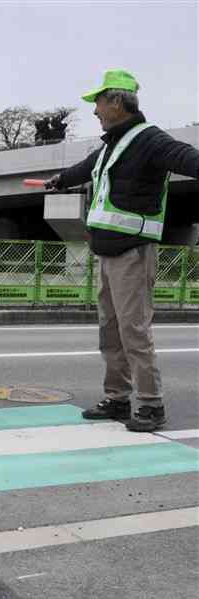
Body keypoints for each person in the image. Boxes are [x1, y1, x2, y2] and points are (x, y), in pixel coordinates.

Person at [45, 70, 199, 431]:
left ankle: (151, 404)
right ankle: (117, 398)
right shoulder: (112, 145)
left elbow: (186, 157)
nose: (95, 110)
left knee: (134, 332)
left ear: (116, 101)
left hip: (133, 253)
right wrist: (61, 180)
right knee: (110, 331)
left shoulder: (149, 140)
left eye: (98, 102)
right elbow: (87, 168)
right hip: (108, 252)